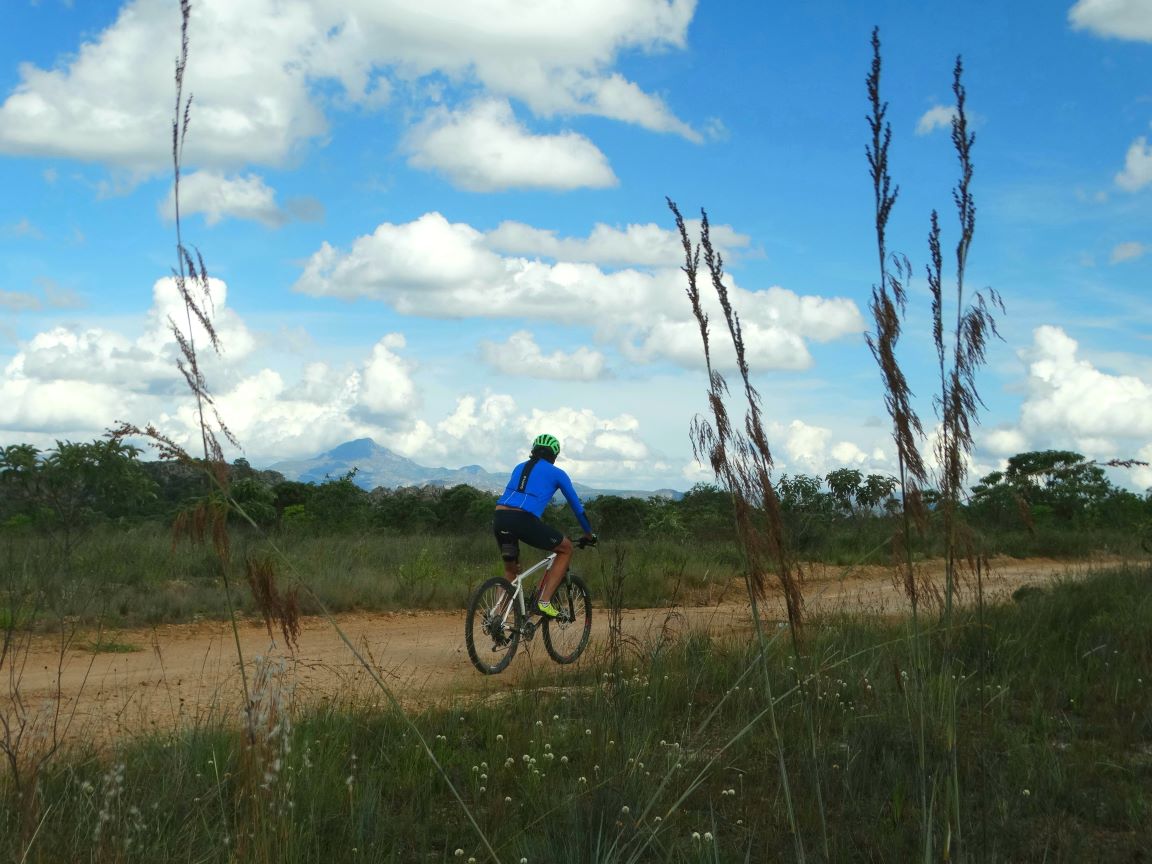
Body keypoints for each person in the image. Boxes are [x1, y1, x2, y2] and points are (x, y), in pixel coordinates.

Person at [493, 433, 595, 617]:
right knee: (566, 548)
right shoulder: (557, 473)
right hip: (522, 519)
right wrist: (589, 534)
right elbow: (577, 508)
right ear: (554, 456)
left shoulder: (519, 467)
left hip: (499, 518)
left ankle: (496, 618)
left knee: (510, 571)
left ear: (533, 450)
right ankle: (544, 601)